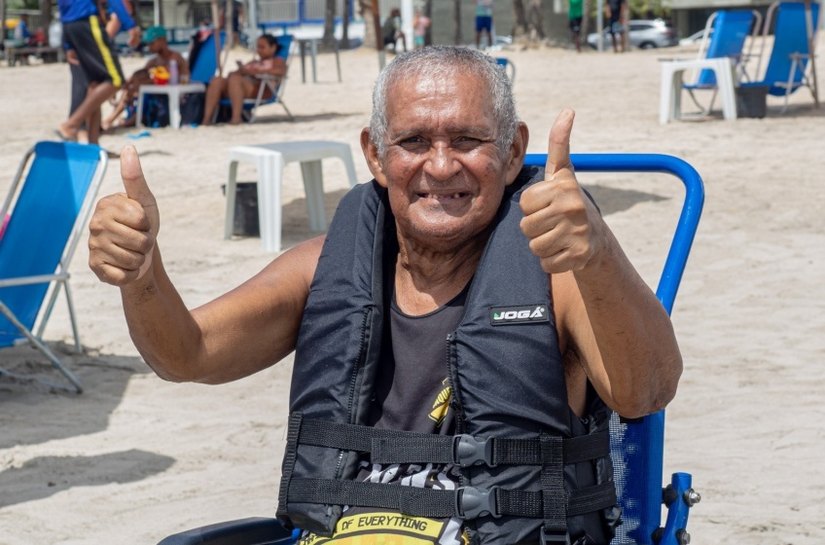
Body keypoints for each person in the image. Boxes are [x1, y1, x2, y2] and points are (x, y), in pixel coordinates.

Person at [88, 47, 682, 545]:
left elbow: (647, 391)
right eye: (414, 141)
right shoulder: (326, 265)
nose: (442, 166)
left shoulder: (561, 273)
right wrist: (142, 273)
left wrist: (599, 252)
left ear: (510, 151)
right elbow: (187, 353)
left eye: (470, 139)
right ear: (375, 154)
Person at [56, 0, 133, 141]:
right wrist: (131, 26)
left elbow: (62, 8)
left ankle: (94, 147)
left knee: (95, 85)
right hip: (87, 23)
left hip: (70, 27)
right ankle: (71, 125)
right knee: (115, 80)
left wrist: (67, 44)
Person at [102, 26, 189, 130]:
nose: (149, 47)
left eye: (152, 43)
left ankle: (115, 120)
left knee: (138, 88)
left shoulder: (175, 58)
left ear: (162, 40)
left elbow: (178, 79)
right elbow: (137, 76)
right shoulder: (153, 61)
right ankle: (113, 118)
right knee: (134, 82)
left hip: (172, 97)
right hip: (157, 94)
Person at [200, 34, 286, 125]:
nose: (259, 50)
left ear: (273, 48)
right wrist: (241, 71)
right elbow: (234, 74)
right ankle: (206, 119)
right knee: (217, 81)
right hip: (240, 87)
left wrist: (253, 72)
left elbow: (280, 72)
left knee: (235, 80)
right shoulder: (254, 61)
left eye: (262, 47)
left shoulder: (277, 61)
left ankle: (236, 118)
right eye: (258, 47)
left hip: (260, 89)